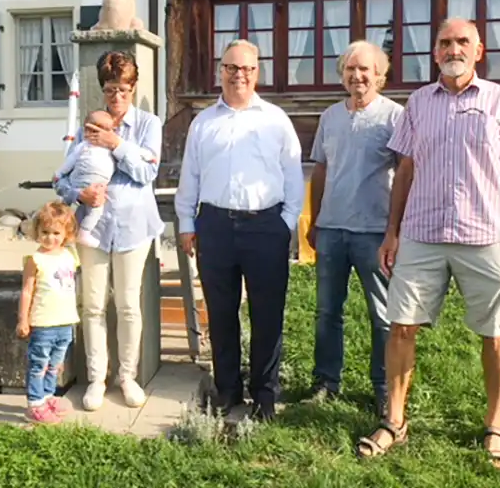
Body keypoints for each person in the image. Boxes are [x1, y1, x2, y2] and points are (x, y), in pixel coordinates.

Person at [355, 18, 500, 470]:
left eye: (462, 42)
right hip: (421, 234)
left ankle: (495, 425)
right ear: (434, 53)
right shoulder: (417, 103)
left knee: (494, 331)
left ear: (478, 51)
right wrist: (392, 232)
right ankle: (395, 421)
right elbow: (406, 172)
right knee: (401, 326)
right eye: (444, 43)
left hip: (485, 235)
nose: (452, 48)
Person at [175, 39, 305, 422]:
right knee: (221, 312)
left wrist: (285, 224)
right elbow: (190, 176)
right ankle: (227, 389)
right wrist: (186, 221)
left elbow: (293, 176)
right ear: (221, 72)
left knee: (267, 314)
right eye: (231, 68)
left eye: (247, 68)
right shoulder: (203, 122)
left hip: (265, 226)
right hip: (215, 226)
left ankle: (265, 394)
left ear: (257, 72)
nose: (239, 75)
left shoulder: (276, 120)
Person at [54, 50, 164, 412]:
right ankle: (96, 377)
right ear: (102, 89)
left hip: (133, 226)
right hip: (94, 227)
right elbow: (63, 177)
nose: (117, 98)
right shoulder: (89, 124)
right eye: (111, 89)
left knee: (129, 304)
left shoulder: (149, 124)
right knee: (93, 304)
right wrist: (77, 194)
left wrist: (117, 144)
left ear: (133, 88)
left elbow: (147, 173)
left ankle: (127, 376)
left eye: (124, 90)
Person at [306, 40, 403, 414]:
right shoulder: (329, 117)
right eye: (350, 69)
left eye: (365, 69)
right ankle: (326, 381)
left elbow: (406, 174)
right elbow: (321, 169)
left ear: (380, 75)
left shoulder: (394, 116)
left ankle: (382, 387)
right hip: (331, 230)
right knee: (327, 311)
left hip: (374, 233)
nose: (357, 75)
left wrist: (395, 231)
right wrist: (314, 221)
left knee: (381, 314)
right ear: (341, 75)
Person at [16, 201, 80, 424]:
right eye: (45, 232)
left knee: (56, 364)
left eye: (56, 232)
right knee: (39, 364)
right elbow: (27, 291)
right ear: (37, 232)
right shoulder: (35, 260)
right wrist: (23, 319)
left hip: (65, 322)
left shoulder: (70, 256)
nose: (50, 238)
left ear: (66, 234)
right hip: (43, 323)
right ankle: (35, 403)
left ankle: (48, 395)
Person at [53, 110, 117, 248]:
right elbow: (70, 161)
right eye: (92, 130)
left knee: (86, 207)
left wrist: (144, 156)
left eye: (106, 130)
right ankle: (84, 232)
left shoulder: (111, 147)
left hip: (97, 183)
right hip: (82, 180)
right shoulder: (83, 146)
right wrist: (59, 173)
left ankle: (69, 230)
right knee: (95, 208)